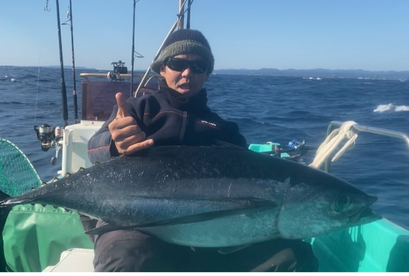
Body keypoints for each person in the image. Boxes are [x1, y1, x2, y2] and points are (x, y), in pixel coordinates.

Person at [83, 29, 318, 272]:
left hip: (209, 231)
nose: (187, 73)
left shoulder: (225, 130)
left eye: (199, 66)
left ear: (207, 73)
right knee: (129, 255)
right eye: (177, 63)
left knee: (294, 257)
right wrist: (114, 143)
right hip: (134, 220)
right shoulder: (136, 109)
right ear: (162, 69)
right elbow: (94, 148)